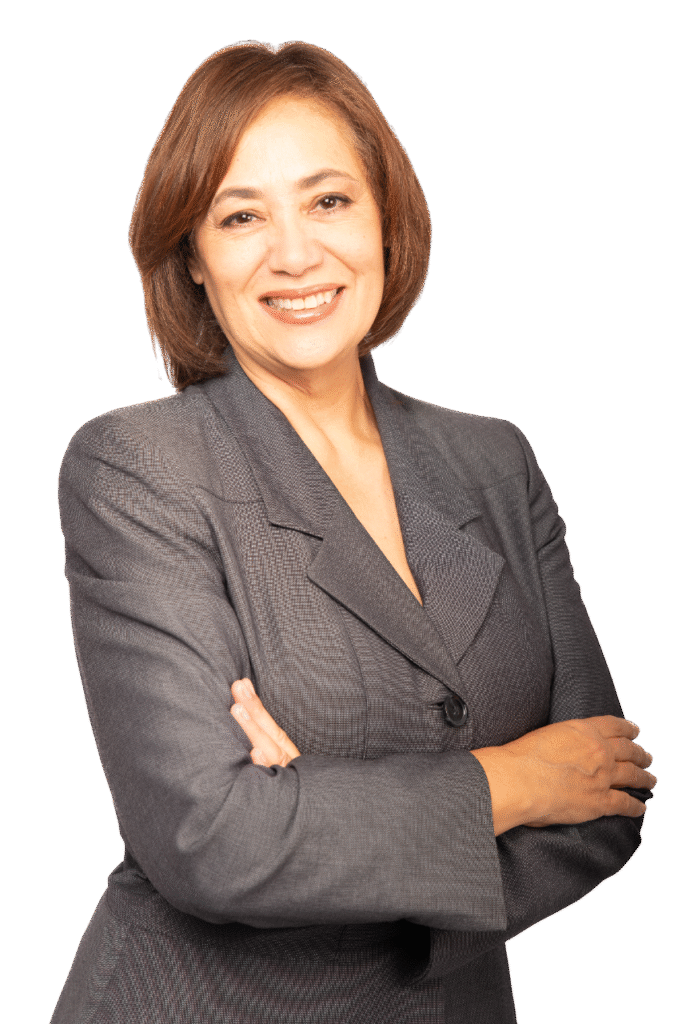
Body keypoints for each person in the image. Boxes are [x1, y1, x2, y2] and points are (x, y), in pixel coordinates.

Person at [53, 41, 655, 1024]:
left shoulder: (495, 461)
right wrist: (511, 778)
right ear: (194, 259)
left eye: (328, 201)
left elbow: (606, 797)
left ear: (384, 218)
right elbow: (215, 838)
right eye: (241, 216)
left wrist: (319, 814)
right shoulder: (141, 468)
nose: (295, 254)